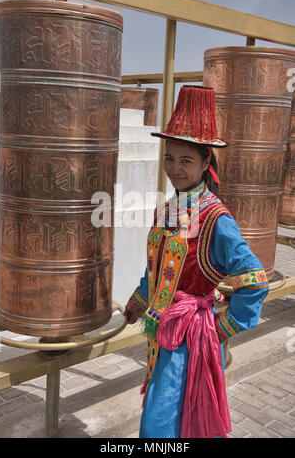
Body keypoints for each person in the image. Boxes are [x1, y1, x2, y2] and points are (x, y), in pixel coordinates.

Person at [123, 85, 269, 438]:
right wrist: (138, 301)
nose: (175, 168)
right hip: (164, 332)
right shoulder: (168, 210)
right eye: (169, 158)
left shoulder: (217, 219)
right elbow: (158, 271)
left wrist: (222, 328)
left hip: (192, 339)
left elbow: (254, 282)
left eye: (186, 160)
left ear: (206, 164)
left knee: (166, 422)